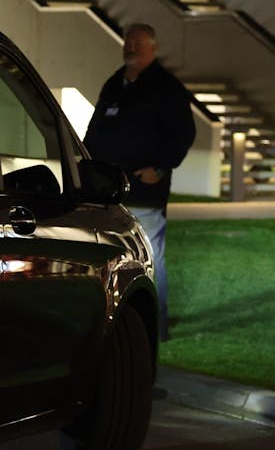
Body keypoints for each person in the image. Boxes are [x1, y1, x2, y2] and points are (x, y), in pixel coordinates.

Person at [83, 23, 194, 342]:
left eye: (138, 43)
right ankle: (116, 323)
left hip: (145, 193)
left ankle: (155, 328)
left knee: (150, 259)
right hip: (109, 192)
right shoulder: (114, 85)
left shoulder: (166, 88)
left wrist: (159, 168)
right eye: (128, 42)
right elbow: (95, 131)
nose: (130, 47)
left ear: (152, 48)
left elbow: (183, 134)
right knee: (112, 260)